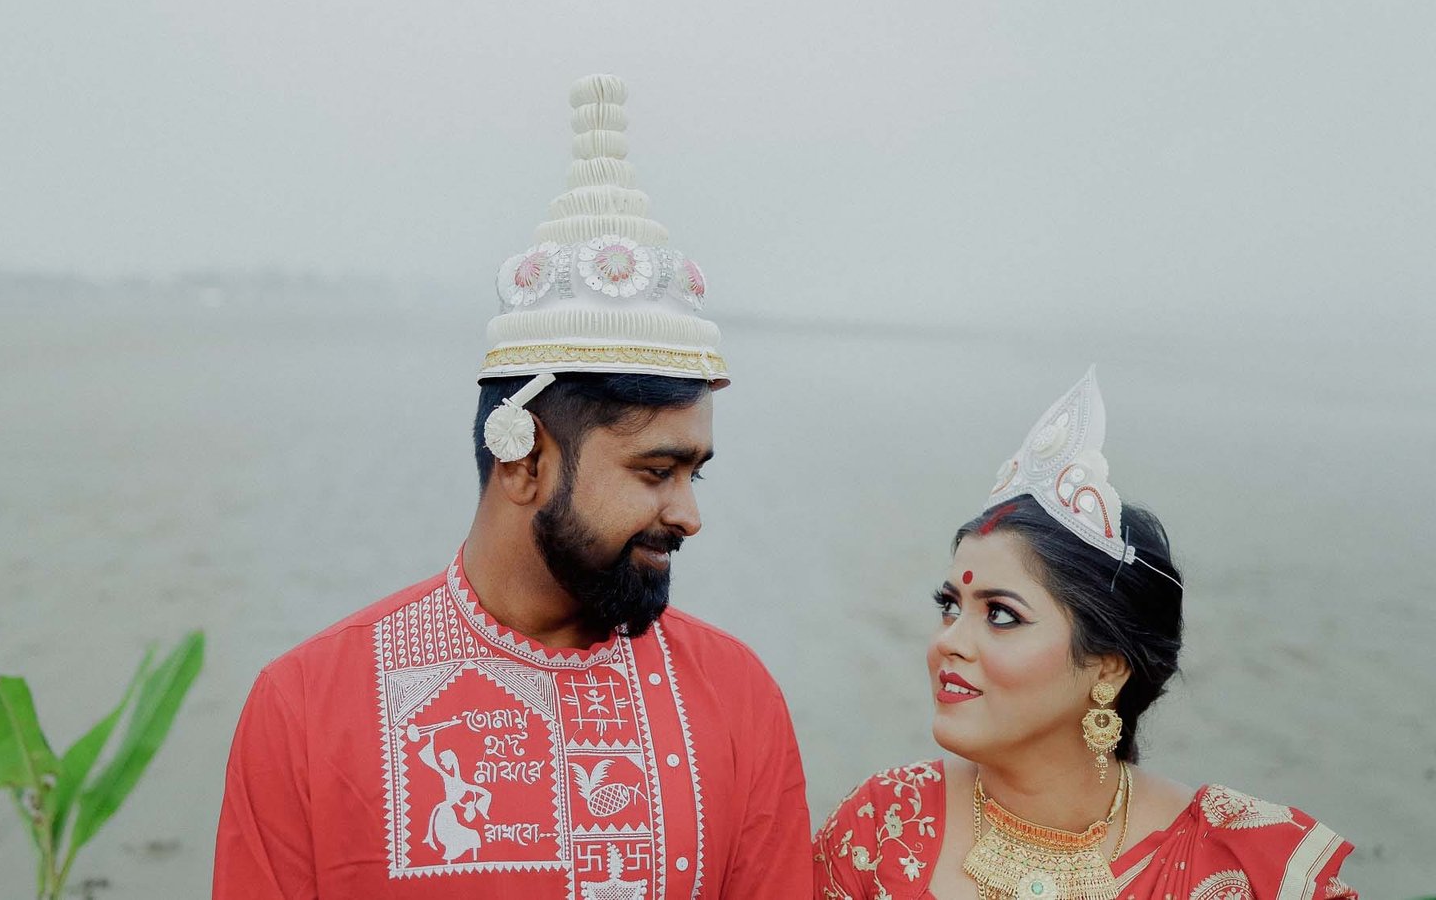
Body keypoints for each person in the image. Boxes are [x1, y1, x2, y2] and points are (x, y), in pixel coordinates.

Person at [214, 74, 811, 899]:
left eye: (694, 473)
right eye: (655, 472)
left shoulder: (738, 698)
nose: (688, 514)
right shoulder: (308, 707)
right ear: (522, 460)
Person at [814, 368, 1356, 900]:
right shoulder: (881, 829)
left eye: (1000, 615)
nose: (948, 642)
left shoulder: (1241, 866)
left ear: (1108, 665)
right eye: (950, 607)